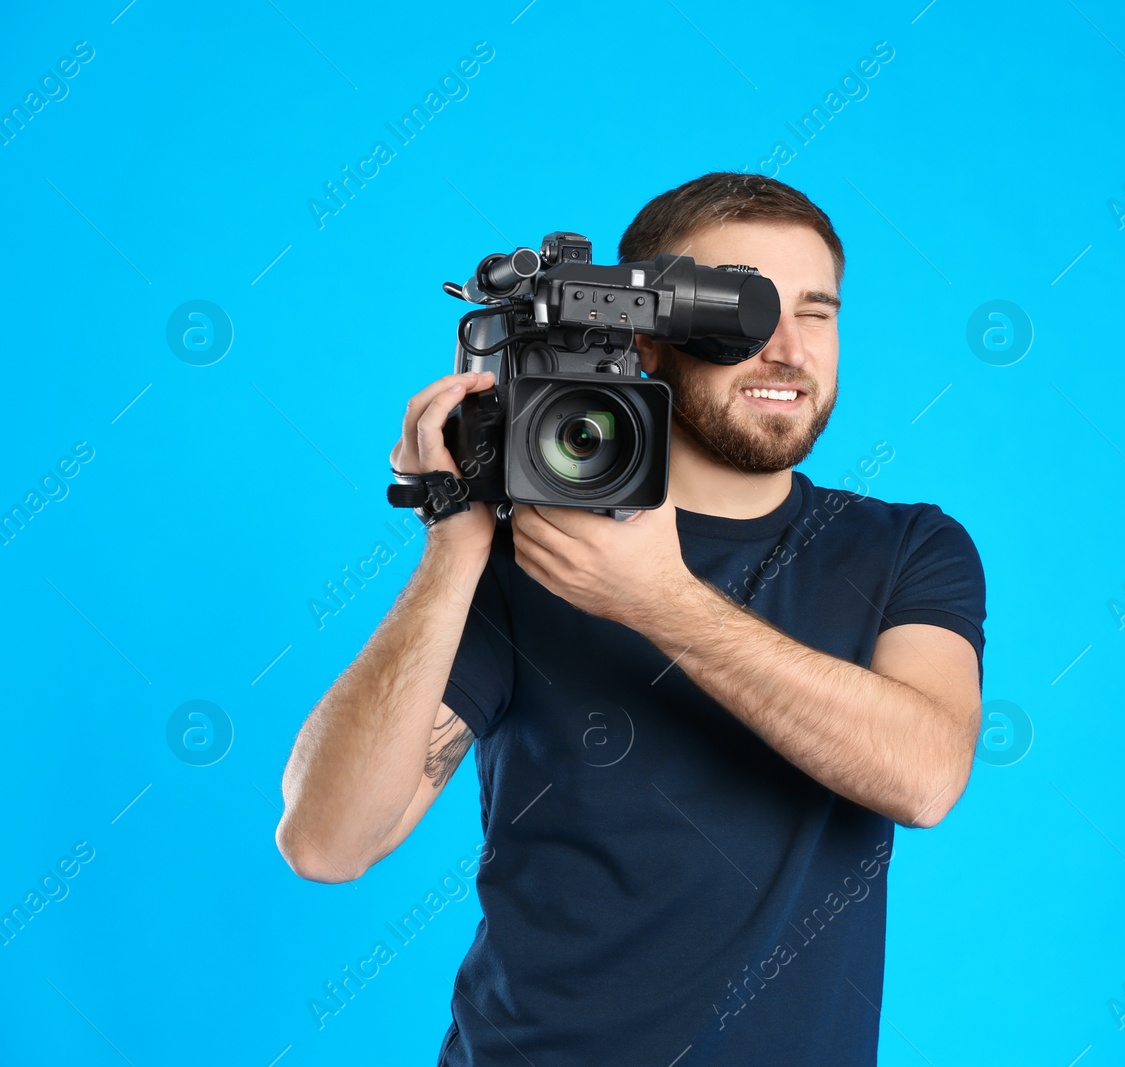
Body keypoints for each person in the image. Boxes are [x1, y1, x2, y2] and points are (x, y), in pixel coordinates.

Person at [275, 172, 987, 1066]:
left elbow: (922, 774)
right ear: (646, 340)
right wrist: (454, 544)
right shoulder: (528, 557)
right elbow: (326, 839)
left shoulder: (905, 548)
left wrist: (657, 598)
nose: (787, 348)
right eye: (742, 310)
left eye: (817, 310)